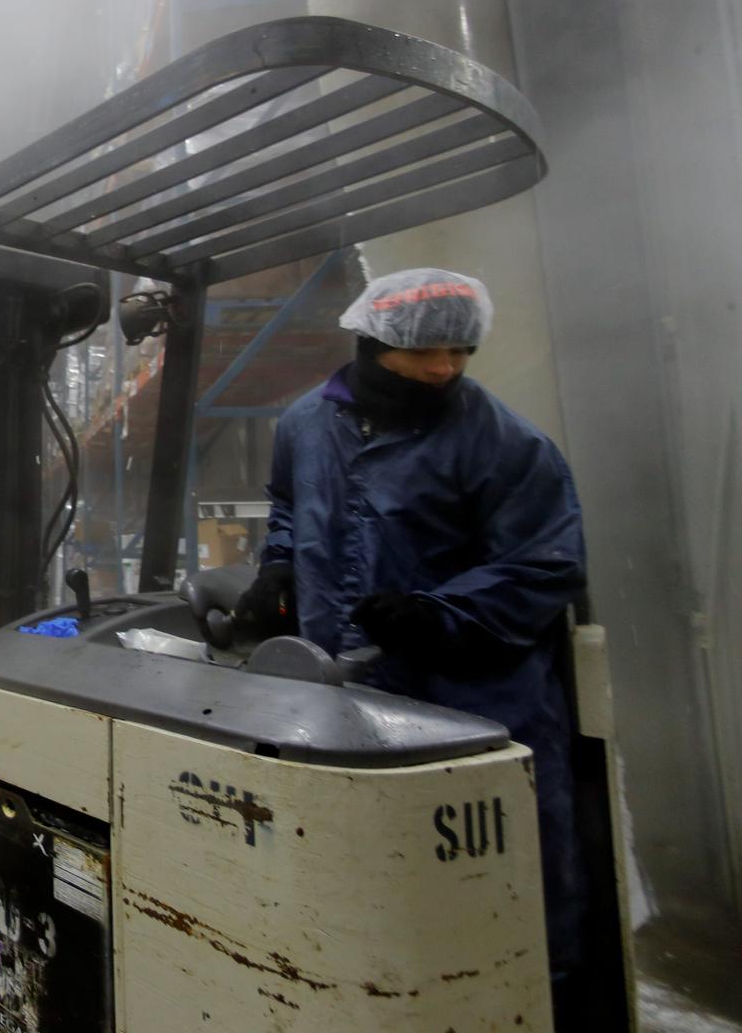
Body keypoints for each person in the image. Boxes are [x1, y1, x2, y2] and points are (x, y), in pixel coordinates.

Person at [236, 267, 592, 1018]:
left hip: (479, 703)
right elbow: (290, 507)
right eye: (427, 351)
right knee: (367, 891)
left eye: (461, 351)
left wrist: (440, 615)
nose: (445, 368)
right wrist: (278, 567)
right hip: (343, 698)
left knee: (504, 897)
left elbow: (547, 562)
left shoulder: (501, 442)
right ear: (372, 341)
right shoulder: (305, 423)